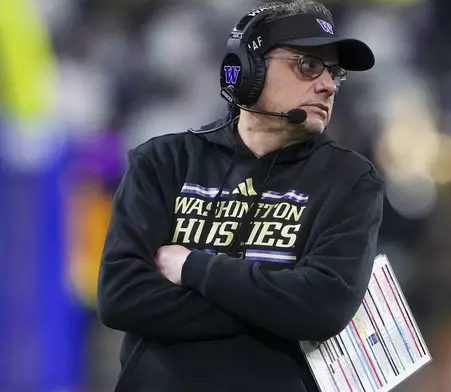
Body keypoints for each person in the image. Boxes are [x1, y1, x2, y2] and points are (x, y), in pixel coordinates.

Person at [97, 1, 384, 391]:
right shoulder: (161, 162)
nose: (328, 85)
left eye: (334, 73)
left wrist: (192, 269)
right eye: (309, 66)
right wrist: (277, 303)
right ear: (246, 69)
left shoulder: (351, 180)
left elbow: (323, 308)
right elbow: (121, 297)